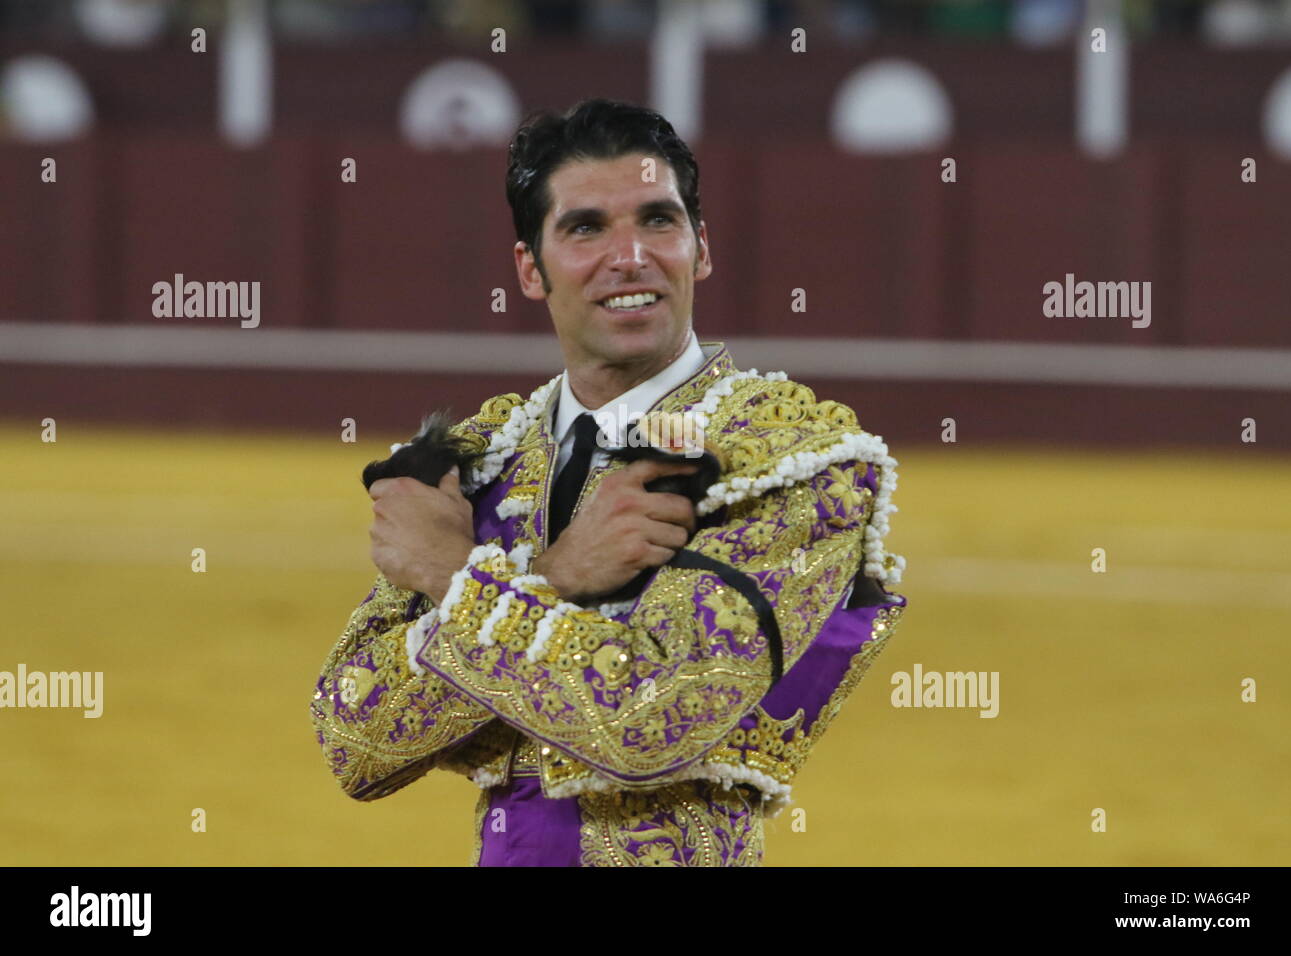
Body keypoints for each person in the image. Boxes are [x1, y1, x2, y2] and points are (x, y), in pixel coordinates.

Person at [310, 98, 907, 866]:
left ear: (701, 250)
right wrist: (555, 574)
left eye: (659, 221)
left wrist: (456, 576)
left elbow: (649, 723)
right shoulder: (480, 460)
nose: (630, 257)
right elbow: (356, 739)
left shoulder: (792, 460)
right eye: (586, 227)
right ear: (531, 268)